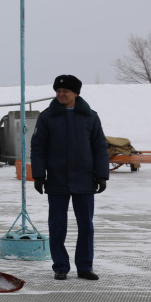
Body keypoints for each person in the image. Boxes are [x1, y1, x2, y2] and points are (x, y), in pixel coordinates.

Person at [30, 74, 109, 281]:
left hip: (85, 180)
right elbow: (38, 147)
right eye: (58, 91)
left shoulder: (90, 117)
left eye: (65, 91)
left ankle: (85, 267)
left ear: (75, 93)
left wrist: (102, 175)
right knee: (57, 226)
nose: (61, 94)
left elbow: (100, 147)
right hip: (57, 180)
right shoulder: (47, 117)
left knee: (86, 226)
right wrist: (39, 175)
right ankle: (60, 266)